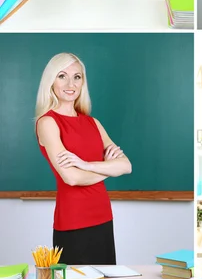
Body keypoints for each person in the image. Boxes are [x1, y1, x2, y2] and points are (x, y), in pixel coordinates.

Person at [35, 53, 132, 264]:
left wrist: (86, 165)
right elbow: (71, 178)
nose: (71, 84)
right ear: (51, 80)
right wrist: (107, 168)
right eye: (62, 76)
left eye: (77, 77)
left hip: (104, 217)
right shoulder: (48, 123)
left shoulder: (92, 123)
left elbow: (126, 166)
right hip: (73, 220)